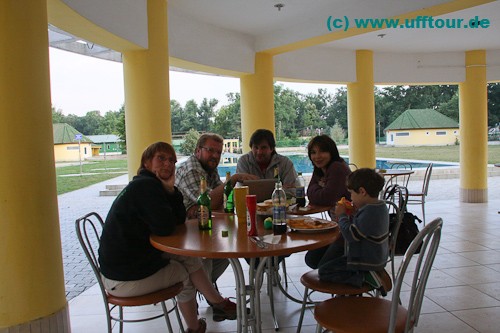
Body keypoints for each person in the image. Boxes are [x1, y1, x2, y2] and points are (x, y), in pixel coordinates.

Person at [98, 142, 237, 333]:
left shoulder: (148, 185)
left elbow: (178, 220)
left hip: (127, 267)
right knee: (183, 272)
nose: (168, 164)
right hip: (123, 280)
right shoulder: (146, 187)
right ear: (146, 163)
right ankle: (204, 316)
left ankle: (209, 311)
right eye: (161, 158)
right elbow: (164, 228)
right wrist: (168, 193)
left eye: (172, 160)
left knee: (187, 257)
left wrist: (171, 189)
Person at [175, 133, 257, 286]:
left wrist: (211, 201)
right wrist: (233, 179)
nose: (215, 155)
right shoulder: (192, 169)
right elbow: (210, 202)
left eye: (218, 152)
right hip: (185, 233)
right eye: (210, 150)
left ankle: (206, 287)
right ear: (198, 150)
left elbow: (221, 200)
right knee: (217, 251)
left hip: (202, 224)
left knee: (226, 249)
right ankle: (205, 290)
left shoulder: (208, 168)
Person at [318, 168, 389, 287]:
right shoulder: (379, 207)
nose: (351, 197)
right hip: (375, 258)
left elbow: (351, 235)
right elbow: (362, 229)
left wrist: (342, 215)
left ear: (362, 191)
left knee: (324, 271)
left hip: (364, 262)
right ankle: (368, 275)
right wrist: (353, 214)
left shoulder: (370, 212)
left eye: (351, 193)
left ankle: (364, 277)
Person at [304, 134, 352, 269]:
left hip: (351, 232)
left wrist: (318, 189)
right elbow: (310, 193)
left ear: (331, 152)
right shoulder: (320, 169)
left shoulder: (337, 167)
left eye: (322, 151)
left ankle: (350, 278)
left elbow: (327, 197)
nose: (317, 156)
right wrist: (318, 189)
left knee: (317, 262)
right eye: (313, 152)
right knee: (312, 258)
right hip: (339, 227)